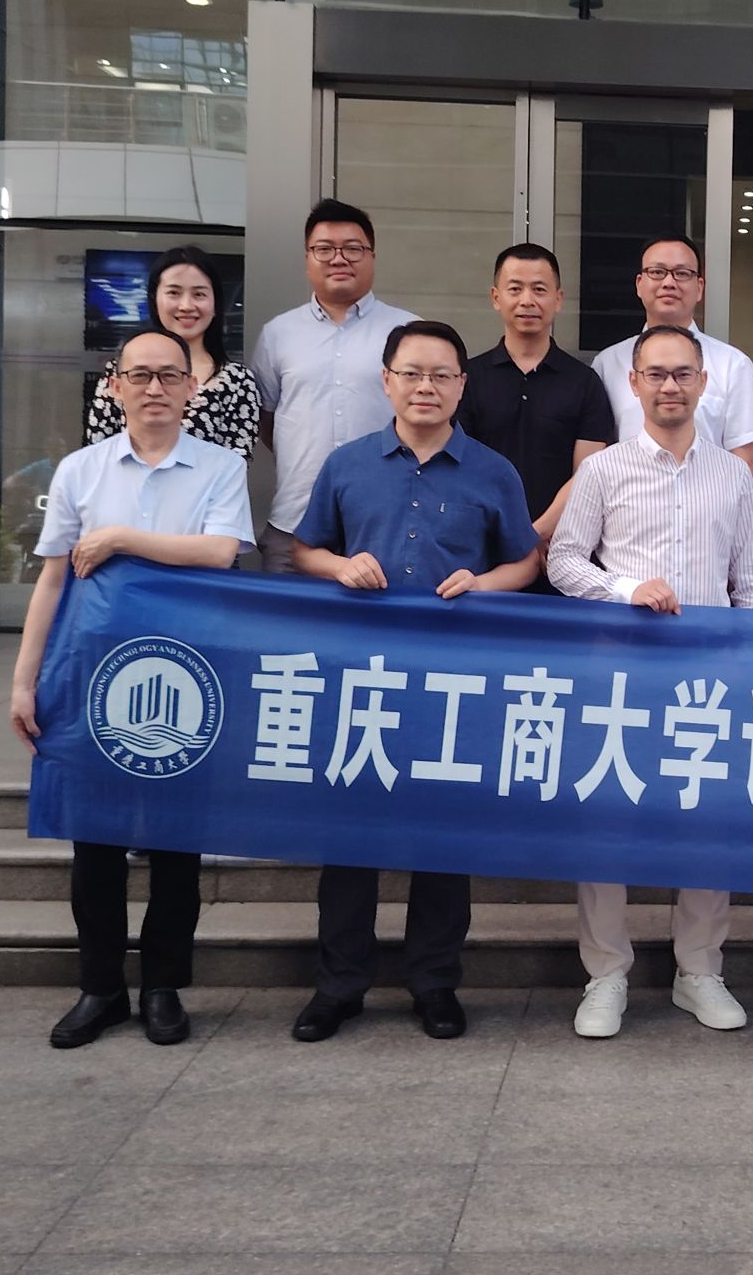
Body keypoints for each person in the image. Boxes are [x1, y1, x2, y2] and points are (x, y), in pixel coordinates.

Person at [286, 320, 541, 1044]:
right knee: (350, 841)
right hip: (359, 679)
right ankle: (339, 985)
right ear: (387, 380)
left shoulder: (493, 471)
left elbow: (526, 561)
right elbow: (304, 550)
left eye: (441, 375)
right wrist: (340, 566)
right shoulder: (347, 464)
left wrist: (485, 583)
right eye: (412, 373)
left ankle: (434, 982)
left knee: (442, 840)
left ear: (462, 384)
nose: (426, 387)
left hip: (453, 685)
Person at [8, 327, 254, 1049]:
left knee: (177, 842)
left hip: (190, 674)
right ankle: (101, 988)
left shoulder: (219, 467)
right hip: (90, 675)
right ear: (113, 385)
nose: (154, 388)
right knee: (95, 843)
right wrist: (24, 681)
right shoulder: (81, 470)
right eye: (139, 375)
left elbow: (219, 552)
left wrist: (119, 539)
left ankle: (163, 987)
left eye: (169, 376)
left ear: (191, 388)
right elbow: (51, 580)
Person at [547, 325, 753, 1039]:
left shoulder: (733, 476)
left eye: (682, 374)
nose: (669, 386)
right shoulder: (603, 471)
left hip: (708, 681)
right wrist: (626, 588)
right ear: (634, 382)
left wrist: (746, 667)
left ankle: (698, 969)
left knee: (706, 824)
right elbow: (563, 562)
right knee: (607, 823)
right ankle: (606, 973)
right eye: (656, 374)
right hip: (620, 674)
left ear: (703, 383)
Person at [251, 199, 419, 573]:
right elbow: (267, 420)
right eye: (325, 249)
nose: (339, 259)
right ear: (307, 258)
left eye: (353, 249)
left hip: (385, 525)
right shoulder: (278, 334)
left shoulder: (409, 332)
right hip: (295, 525)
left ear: (372, 256)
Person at [460, 244, 617, 573]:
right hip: (480, 546)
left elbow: (588, 475)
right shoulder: (467, 378)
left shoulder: (584, 382)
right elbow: (460, 467)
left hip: (559, 550)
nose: (527, 300)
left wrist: (535, 534)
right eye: (515, 289)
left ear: (558, 299)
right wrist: (507, 538)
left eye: (540, 289)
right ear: (496, 297)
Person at [593, 234, 753, 471]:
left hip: (707, 493)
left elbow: (744, 459)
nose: (669, 283)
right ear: (639, 284)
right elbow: (597, 452)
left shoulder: (733, 364)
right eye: (657, 272)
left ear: (699, 288)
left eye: (682, 273)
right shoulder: (609, 363)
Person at [86, 245, 262, 460]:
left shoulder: (238, 383)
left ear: (215, 304)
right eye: (174, 293)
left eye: (199, 294)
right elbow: (98, 457)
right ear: (154, 300)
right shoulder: (122, 372)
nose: (186, 305)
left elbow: (234, 467)